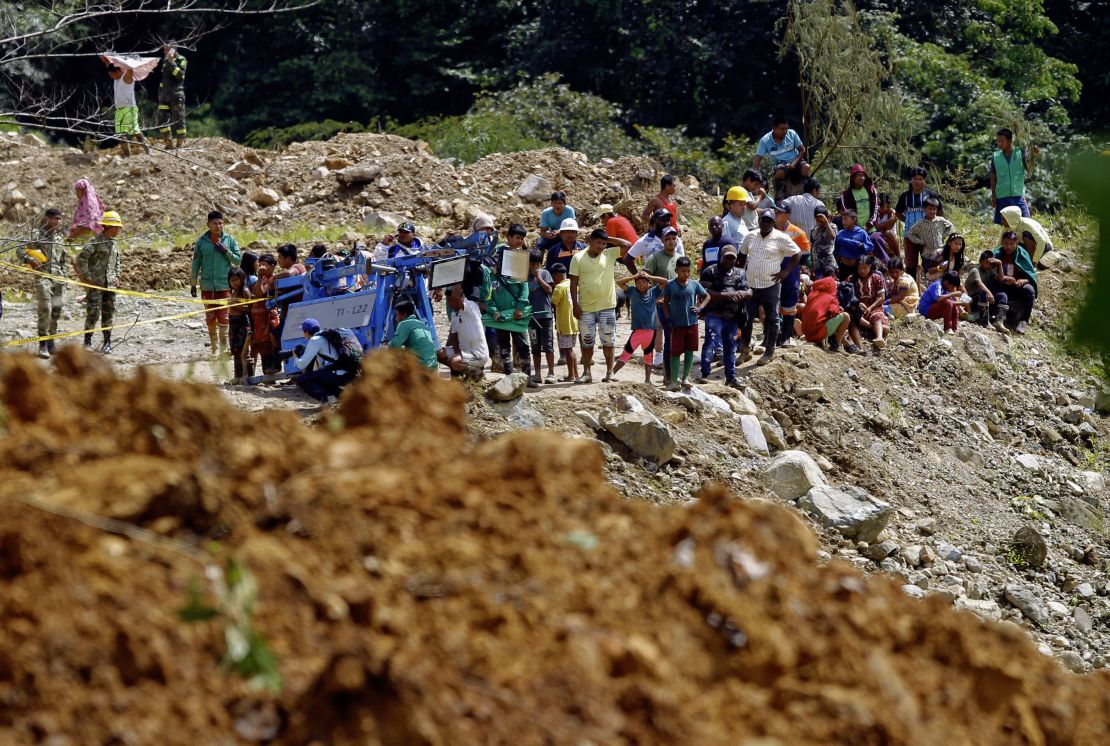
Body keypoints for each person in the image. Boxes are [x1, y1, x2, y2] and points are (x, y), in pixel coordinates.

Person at [739, 210, 801, 366]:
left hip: (770, 285)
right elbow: (742, 256)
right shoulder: (751, 236)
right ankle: (745, 350)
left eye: (768, 221)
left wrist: (786, 272)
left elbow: (797, 253)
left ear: (773, 222)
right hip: (751, 286)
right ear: (759, 221)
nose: (765, 223)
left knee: (772, 319)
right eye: (763, 220)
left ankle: (769, 352)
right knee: (746, 319)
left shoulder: (781, 238)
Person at [569, 228, 621, 383]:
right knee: (586, 341)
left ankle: (610, 372)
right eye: (598, 242)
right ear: (590, 241)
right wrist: (575, 305)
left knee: (608, 341)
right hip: (586, 308)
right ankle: (587, 373)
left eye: (604, 243)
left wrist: (608, 238)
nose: (601, 246)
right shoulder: (578, 258)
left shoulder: (609, 254)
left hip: (607, 306)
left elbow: (628, 244)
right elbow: (573, 283)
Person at [191, 210, 242, 353]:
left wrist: (225, 251)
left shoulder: (229, 240)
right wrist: (193, 284)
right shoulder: (202, 242)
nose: (218, 226)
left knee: (224, 317)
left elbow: (238, 260)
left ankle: (224, 349)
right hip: (207, 286)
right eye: (215, 223)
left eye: (220, 223)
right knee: (210, 317)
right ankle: (214, 348)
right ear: (208, 224)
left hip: (224, 286)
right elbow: (196, 263)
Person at [699, 246, 750, 387]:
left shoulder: (740, 273)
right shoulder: (710, 271)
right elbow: (703, 291)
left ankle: (730, 378)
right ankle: (705, 374)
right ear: (721, 256)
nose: (729, 260)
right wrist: (726, 295)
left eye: (732, 258)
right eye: (727, 257)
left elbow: (749, 291)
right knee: (710, 343)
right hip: (714, 314)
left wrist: (743, 294)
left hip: (732, 316)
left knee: (730, 347)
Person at [17, 208, 66, 358]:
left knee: (56, 311)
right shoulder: (36, 235)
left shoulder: (59, 237)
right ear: (46, 219)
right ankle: (42, 344)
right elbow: (20, 249)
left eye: (59, 219)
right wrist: (31, 260)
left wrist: (65, 276)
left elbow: (63, 258)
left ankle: (51, 342)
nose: (58, 222)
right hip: (42, 277)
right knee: (45, 309)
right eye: (55, 219)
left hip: (59, 279)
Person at [75, 210, 122, 352]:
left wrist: (117, 276)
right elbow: (81, 259)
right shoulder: (95, 242)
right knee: (93, 313)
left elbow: (117, 261)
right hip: (96, 286)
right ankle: (87, 342)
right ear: (109, 227)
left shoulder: (114, 244)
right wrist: (88, 279)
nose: (119, 230)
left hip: (110, 286)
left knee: (108, 314)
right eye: (117, 227)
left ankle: (107, 343)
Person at [484, 243, 533, 379]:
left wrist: (520, 308)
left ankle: (527, 377)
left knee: (523, 345)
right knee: (504, 346)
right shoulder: (491, 277)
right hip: (501, 318)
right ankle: (509, 376)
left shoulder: (517, 271)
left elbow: (524, 290)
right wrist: (494, 312)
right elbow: (488, 298)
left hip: (518, 315)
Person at [662, 257, 709, 390]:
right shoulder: (671, 285)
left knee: (689, 351)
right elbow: (665, 302)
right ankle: (674, 380)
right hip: (676, 324)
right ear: (676, 270)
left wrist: (700, 308)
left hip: (692, 323)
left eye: (688, 271)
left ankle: (685, 378)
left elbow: (707, 296)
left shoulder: (694, 284)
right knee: (676, 353)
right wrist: (668, 317)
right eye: (683, 271)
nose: (686, 274)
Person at [614, 271, 669, 383]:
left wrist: (649, 276)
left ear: (649, 284)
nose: (641, 284)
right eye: (638, 282)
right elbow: (619, 282)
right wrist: (634, 276)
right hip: (638, 331)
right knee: (626, 353)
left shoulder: (653, 292)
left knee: (648, 356)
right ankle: (611, 373)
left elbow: (665, 281)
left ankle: (647, 380)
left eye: (644, 282)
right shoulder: (632, 291)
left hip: (651, 331)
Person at [290, 318, 360, 402]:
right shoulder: (326, 336)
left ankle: (328, 399)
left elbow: (301, 365)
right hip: (350, 372)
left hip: (339, 376)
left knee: (302, 379)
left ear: (307, 332)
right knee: (320, 375)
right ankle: (343, 396)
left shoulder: (314, 340)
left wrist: (296, 357)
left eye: (303, 332)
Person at [773, 202, 810, 347]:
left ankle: (786, 336)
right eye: (775, 211)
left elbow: (805, 256)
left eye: (779, 212)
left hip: (790, 273)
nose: (776, 214)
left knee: (789, 305)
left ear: (787, 215)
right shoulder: (769, 229)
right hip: (772, 271)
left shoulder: (798, 233)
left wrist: (789, 267)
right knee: (772, 305)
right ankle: (772, 336)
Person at [438, 285, 490, 377]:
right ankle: (460, 372)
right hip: (464, 351)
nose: (449, 301)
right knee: (440, 355)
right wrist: (457, 352)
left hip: (478, 354)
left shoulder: (471, 306)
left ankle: (475, 372)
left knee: (454, 361)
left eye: (451, 298)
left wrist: (457, 280)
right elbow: (454, 339)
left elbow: (456, 299)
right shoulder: (454, 315)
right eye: (448, 298)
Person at [524, 249, 558, 384]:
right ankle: (537, 373)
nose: (534, 267)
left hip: (546, 316)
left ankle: (551, 373)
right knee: (535, 346)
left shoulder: (545, 273)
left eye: (536, 264)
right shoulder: (523, 276)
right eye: (531, 264)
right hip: (531, 317)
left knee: (548, 345)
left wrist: (538, 277)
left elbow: (549, 290)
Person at [904, 197, 956, 285]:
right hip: (928, 254)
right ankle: (931, 291)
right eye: (930, 209)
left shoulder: (941, 220)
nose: (932, 211)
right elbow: (910, 234)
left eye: (934, 209)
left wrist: (944, 235)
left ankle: (943, 290)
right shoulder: (920, 224)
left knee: (943, 272)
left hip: (941, 252)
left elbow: (952, 227)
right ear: (924, 209)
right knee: (930, 273)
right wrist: (920, 241)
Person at [994, 230, 1038, 334]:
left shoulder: (1022, 254)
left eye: (1011, 244)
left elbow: (1031, 274)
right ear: (1002, 243)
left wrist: (1024, 280)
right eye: (1006, 243)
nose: (1008, 247)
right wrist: (1004, 278)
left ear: (1017, 243)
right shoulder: (997, 254)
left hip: (1017, 288)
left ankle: (1024, 320)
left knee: (1029, 290)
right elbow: (990, 273)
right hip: (1002, 287)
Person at [991, 128, 1037, 225]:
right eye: (998, 141)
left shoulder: (1020, 153)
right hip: (1002, 197)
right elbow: (993, 177)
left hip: (1018, 196)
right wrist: (993, 197)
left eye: (1002, 141)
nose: (999, 143)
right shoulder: (995, 156)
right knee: (1005, 226)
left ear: (1010, 141)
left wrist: (1034, 156)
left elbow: (1029, 169)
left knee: (1026, 222)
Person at [104, 61, 150, 156]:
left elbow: (130, 68)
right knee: (120, 135)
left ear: (118, 71)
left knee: (135, 131)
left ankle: (147, 150)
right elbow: (110, 66)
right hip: (119, 109)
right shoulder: (116, 78)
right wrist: (106, 61)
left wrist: (126, 60)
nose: (112, 76)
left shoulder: (126, 77)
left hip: (129, 108)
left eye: (112, 74)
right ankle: (127, 155)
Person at [753, 116, 806, 197]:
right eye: (782, 129)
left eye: (786, 128)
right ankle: (779, 196)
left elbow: (802, 150)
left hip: (795, 162)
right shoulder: (765, 140)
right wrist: (755, 176)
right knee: (780, 172)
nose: (785, 131)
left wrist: (794, 163)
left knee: (806, 167)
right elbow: (758, 158)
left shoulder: (792, 134)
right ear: (774, 129)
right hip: (780, 165)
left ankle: (807, 194)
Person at [624, 208, 685, 273]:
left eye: (667, 220)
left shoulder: (675, 239)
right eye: (663, 220)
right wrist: (639, 278)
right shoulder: (646, 240)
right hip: (653, 281)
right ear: (655, 221)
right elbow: (627, 260)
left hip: (672, 280)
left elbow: (682, 261)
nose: (666, 223)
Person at [964, 250, 1010, 334]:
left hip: (982, 299)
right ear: (980, 261)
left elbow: (1000, 278)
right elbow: (979, 284)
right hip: (971, 300)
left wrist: (1000, 264)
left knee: (1003, 296)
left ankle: (998, 321)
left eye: (990, 264)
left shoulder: (989, 270)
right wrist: (989, 293)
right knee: (982, 292)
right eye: (986, 263)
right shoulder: (975, 270)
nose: (988, 265)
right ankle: (984, 321)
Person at [249, 254, 280, 379]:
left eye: (264, 265)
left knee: (270, 342)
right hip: (258, 318)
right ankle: (267, 373)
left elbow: (260, 293)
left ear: (272, 266)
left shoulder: (273, 280)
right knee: (261, 343)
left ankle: (273, 370)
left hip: (269, 317)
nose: (261, 267)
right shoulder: (260, 280)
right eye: (259, 264)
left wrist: (261, 276)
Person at [800, 276, 851, 351]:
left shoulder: (811, 295)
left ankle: (823, 342)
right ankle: (836, 344)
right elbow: (834, 312)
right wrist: (839, 310)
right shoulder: (831, 297)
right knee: (846, 316)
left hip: (807, 334)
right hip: (818, 333)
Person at [549, 263, 579, 381]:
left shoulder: (559, 288)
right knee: (571, 348)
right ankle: (575, 374)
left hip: (565, 322)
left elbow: (554, 301)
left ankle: (571, 375)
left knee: (568, 349)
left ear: (556, 276)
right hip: (575, 322)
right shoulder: (573, 284)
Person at [895, 167, 943, 237]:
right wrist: (908, 221)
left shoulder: (931, 195)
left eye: (920, 179)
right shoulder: (904, 196)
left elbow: (940, 212)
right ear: (911, 180)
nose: (918, 182)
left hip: (929, 235)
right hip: (910, 234)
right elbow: (898, 213)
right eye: (915, 179)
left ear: (924, 181)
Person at [853, 256, 888, 352]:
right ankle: (874, 328)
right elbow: (849, 296)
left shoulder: (876, 278)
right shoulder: (853, 279)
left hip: (874, 307)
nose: (862, 271)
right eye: (860, 268)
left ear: (870, 266)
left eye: (864, 268)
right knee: (855, 316)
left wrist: (870, 307)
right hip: (859, 307)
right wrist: (859, 303)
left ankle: (879, 338)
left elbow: (882, 298)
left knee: (876, 316)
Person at [388, 300, 437, 369]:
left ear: (404, 315)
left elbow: (394, 346)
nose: (396, 319)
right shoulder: (422, 324)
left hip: (420, 368)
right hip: (433, 366)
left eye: (397, 315)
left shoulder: (404, 324)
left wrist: (387, 345)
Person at [156, 44, 188, 149]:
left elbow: (180, 75)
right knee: (162, 120)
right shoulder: (165, 60)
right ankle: (168, 144)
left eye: (167, 50)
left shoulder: (182, 60)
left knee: (179, 119)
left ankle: (180, 145)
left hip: (176, 95)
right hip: (164, 96)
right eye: (164, 50)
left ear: (173, 50)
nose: (164, 52)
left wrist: (171, 62)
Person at [226, 267, 253, 384]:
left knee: (244, 350)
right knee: (235, 349)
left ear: (242, 279)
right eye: (232, 281)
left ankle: (248, 376)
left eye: (237, 280)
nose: (234, 283)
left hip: (242, 322)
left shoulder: (245, 291)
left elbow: (249, 308)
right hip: (232, 322)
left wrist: (235, 305)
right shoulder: (233, 292)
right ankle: (238, 376)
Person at [918, 270, 963, 335]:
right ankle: (947, 328)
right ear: (947, 282)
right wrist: (953, 294)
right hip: (926, 310)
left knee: (954, 307)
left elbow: (950, 303)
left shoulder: (946, 289)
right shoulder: (937, 285)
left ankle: (954, 329)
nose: (952, 289)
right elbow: (939, 299)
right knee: (948, 303)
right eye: (952, 287)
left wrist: (962, 303)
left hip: (934, 308)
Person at [833, 209, 874, 280]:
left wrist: (861, 246)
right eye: (842, 219)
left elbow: (870, 247)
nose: (843, 222)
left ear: (853, 220)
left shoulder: (861, 233)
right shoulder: (841, 233)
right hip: (843, 267)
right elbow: (836, 249)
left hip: (857, 268)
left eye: (845, 219)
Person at [840, 164, 878, 231]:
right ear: (853, 178)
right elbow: (847, 213)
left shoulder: (871, 191)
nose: (862, 178)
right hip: (854, 230)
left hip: (871, 228)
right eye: (859, 175)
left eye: (863, 175)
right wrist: (856, 228)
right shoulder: (846, 195)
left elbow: (875, 208)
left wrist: (869, 224)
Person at [809, 205, 839, 280]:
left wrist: (826, 222)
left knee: (830, 285)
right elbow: (812, 248)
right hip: (817, 265)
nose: (820, 222)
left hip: (829, 264)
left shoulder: (832, 226)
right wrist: (812, 266)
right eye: (817, 219)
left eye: (821, 219)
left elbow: (833, 236)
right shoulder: (813, 231)